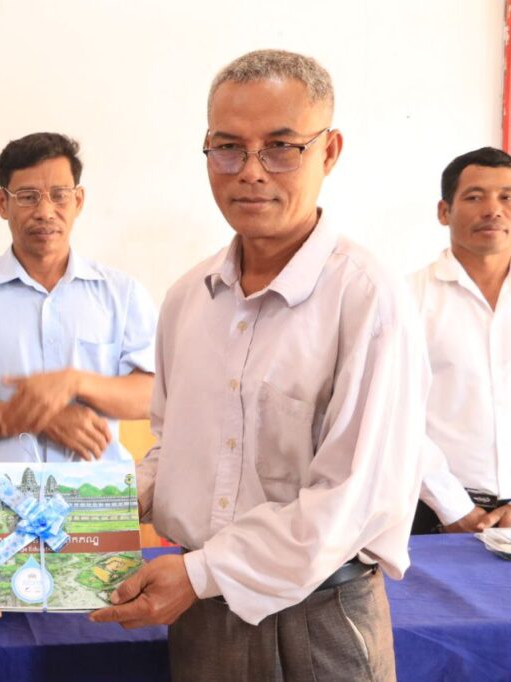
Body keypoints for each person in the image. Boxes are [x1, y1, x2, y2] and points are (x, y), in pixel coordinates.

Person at [91, 50, 430, 681]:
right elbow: (173, 450)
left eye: (280, 147)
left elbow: (349, 500)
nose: (250, 171)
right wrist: (83, 508)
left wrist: (200, 573)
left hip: (319, 616)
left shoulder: (367, 300)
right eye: (227, 147)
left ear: (329, 152)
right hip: (199, 613)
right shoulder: (189, 299)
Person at [0, 132, 156, 463]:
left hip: (97, 491)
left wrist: (75, 382)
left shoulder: (122, 293)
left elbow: (152, 395)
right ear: (2, 203)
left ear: (78, 201)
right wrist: (40, 419)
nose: (45, 211)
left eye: (59, 195)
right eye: (28, 197)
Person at [411, 147, 511, 534]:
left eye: (506, 197)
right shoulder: (405, 299)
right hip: (431, 514)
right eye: (474, 197)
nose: (493, 210)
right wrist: (453, 507)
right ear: (444, 211)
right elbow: (393, 416)